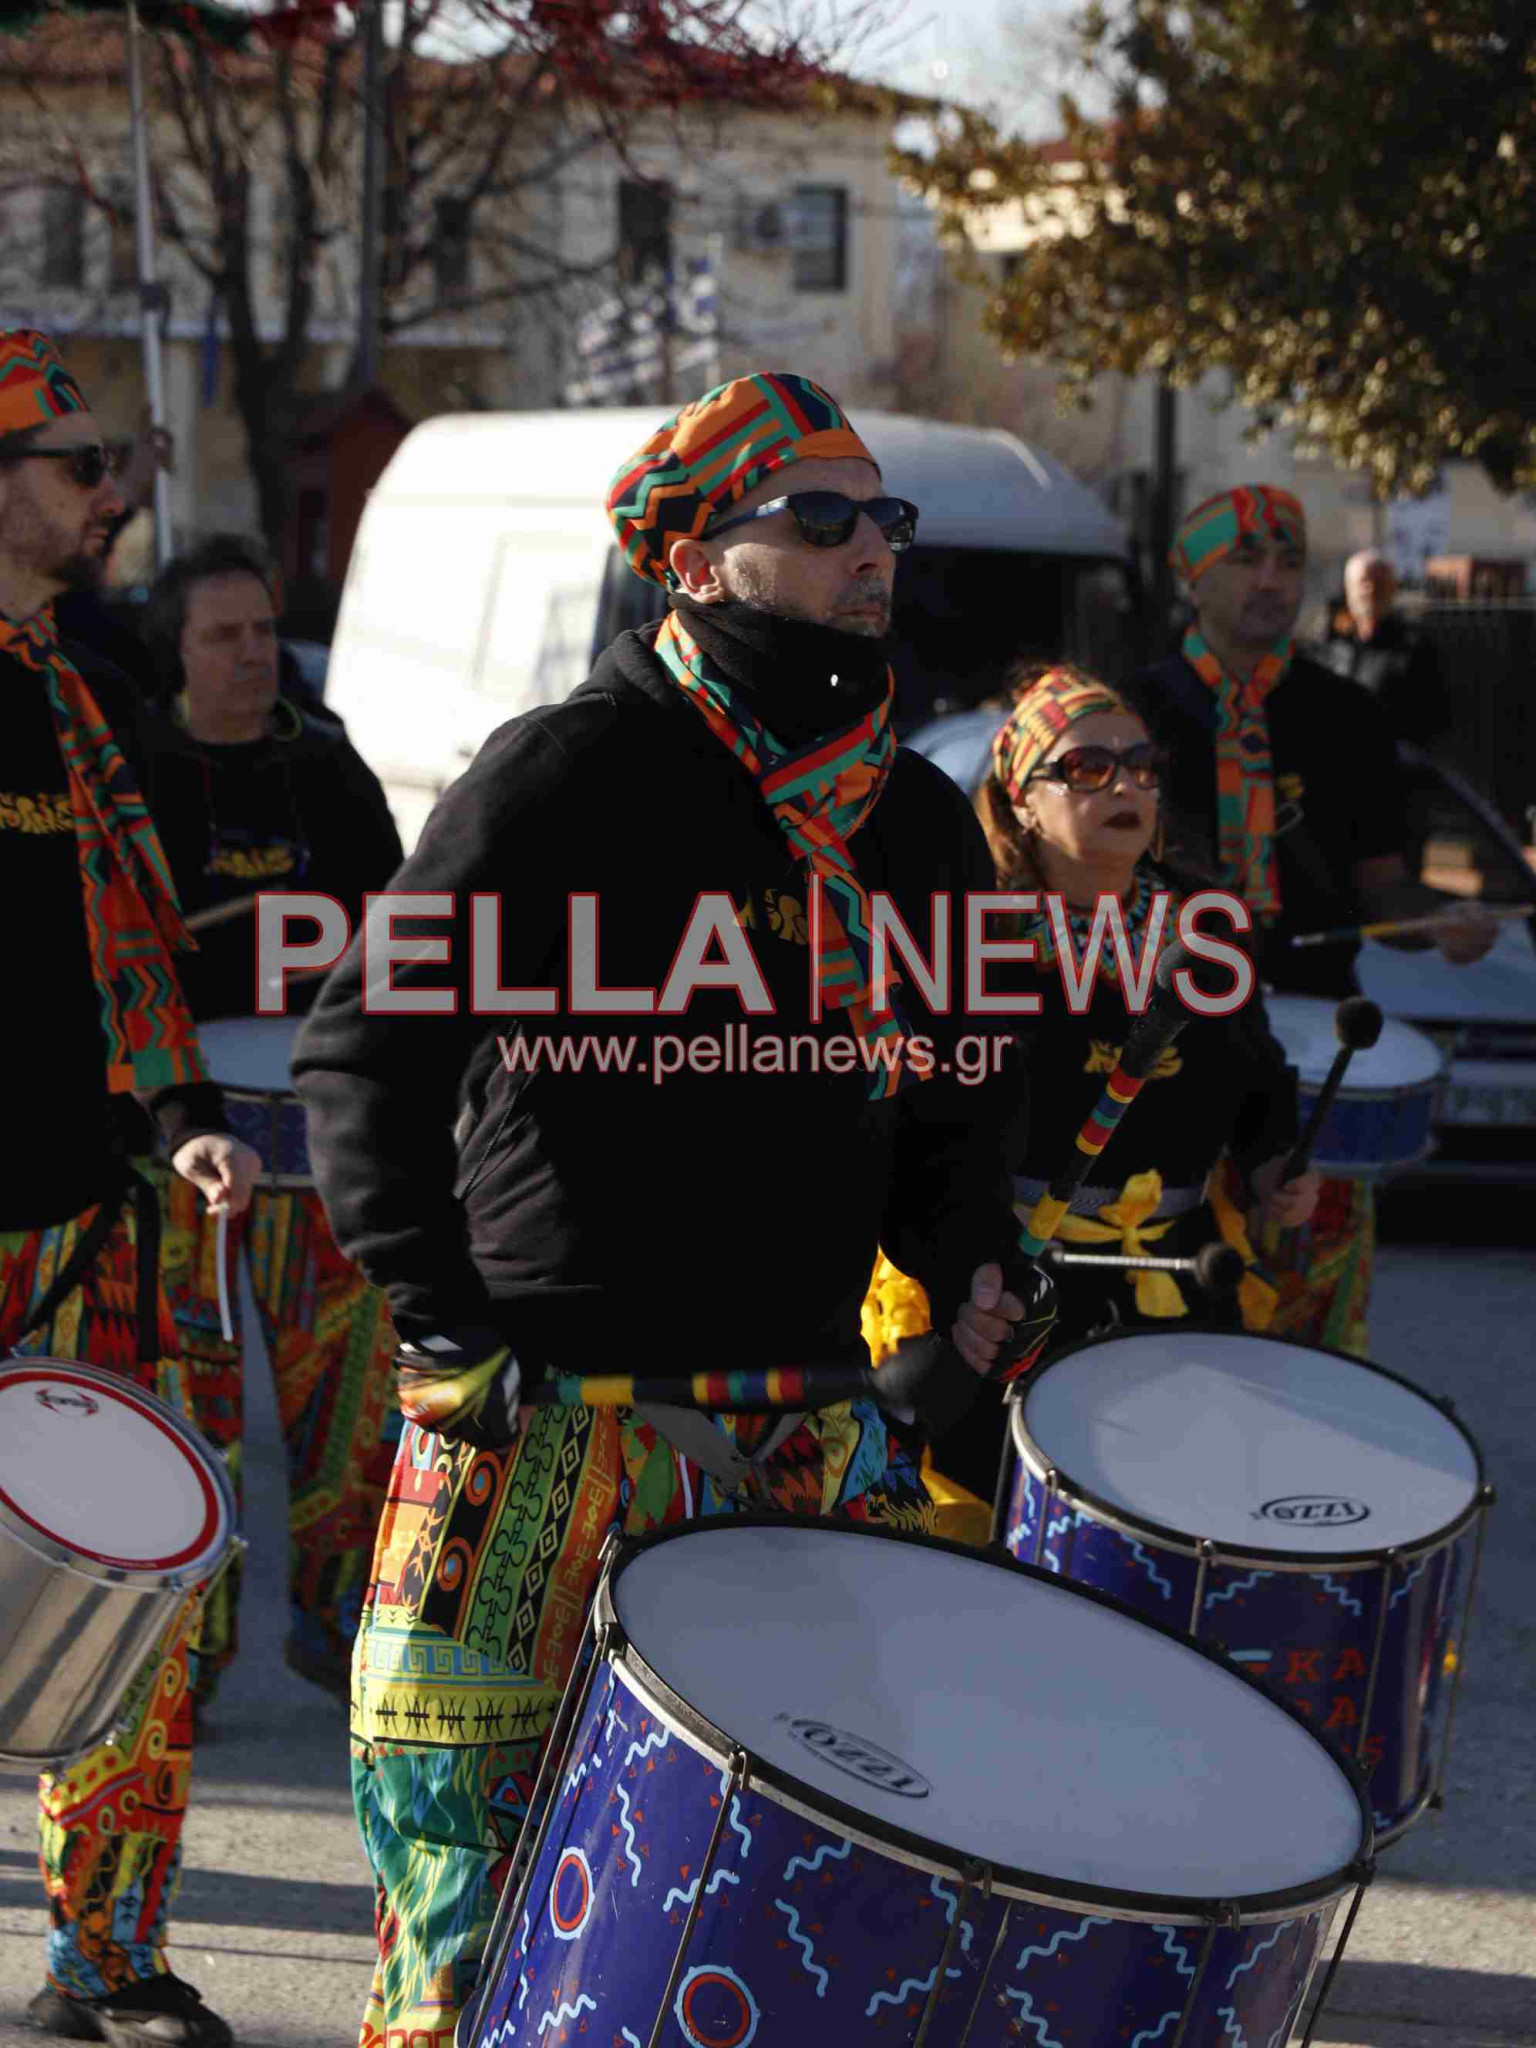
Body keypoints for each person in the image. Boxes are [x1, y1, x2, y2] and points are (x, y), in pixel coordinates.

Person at [292, 369, 1045, 2048]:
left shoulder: (913, 819)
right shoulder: (572, 766)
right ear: (702, 554)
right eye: (824, 519)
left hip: (789, 1411)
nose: (873, 553)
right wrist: (439, 1312)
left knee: (751, 1906)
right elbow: (361, 1054)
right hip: (546, 1398)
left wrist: (971, 1257)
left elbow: (949, 1105)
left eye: (887, 520)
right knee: (470, 1903)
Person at [0, 330, 258, 2048]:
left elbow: (125, 953)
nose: (111, 491)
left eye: (107, 467)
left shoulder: (72, 687)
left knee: (135, 1600)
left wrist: (178, 1113)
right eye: (77, 464)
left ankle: (104, 1952)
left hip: (90, 1219)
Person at [873, 664, 1320, 1505]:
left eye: (1142, 765)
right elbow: (919, 1120)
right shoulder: (975, 935)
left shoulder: (1204, 921)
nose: (1126, 785)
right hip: (1008, 1290)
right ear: (1021, 800)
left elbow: (1258, 1072)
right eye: (1086, 769)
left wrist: (1270, 1162)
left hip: (1181, 1280)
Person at [1129, 486, 1496, 1355]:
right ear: (1195, 578)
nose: (1270, 580)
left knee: (1310, 1340)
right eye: (1245, 559)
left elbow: (1384, 894)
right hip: (1164, 1056)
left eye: (1289, 561)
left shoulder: (1352, 717)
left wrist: (1444, 923)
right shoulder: (1130, 712)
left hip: (1320, 1063)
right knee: (1166, 1327)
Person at [136, 533, 406, 1708]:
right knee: (186, 1406)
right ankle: (178, 1662)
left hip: (316, 1140)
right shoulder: (130, 771)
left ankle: (338, 1635)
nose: (251, 656)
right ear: (177, 651)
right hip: (178, 1141)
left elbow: (401, 954)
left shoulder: (333, 772)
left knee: (345, 1409)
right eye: (221, 636)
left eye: (262, 630)